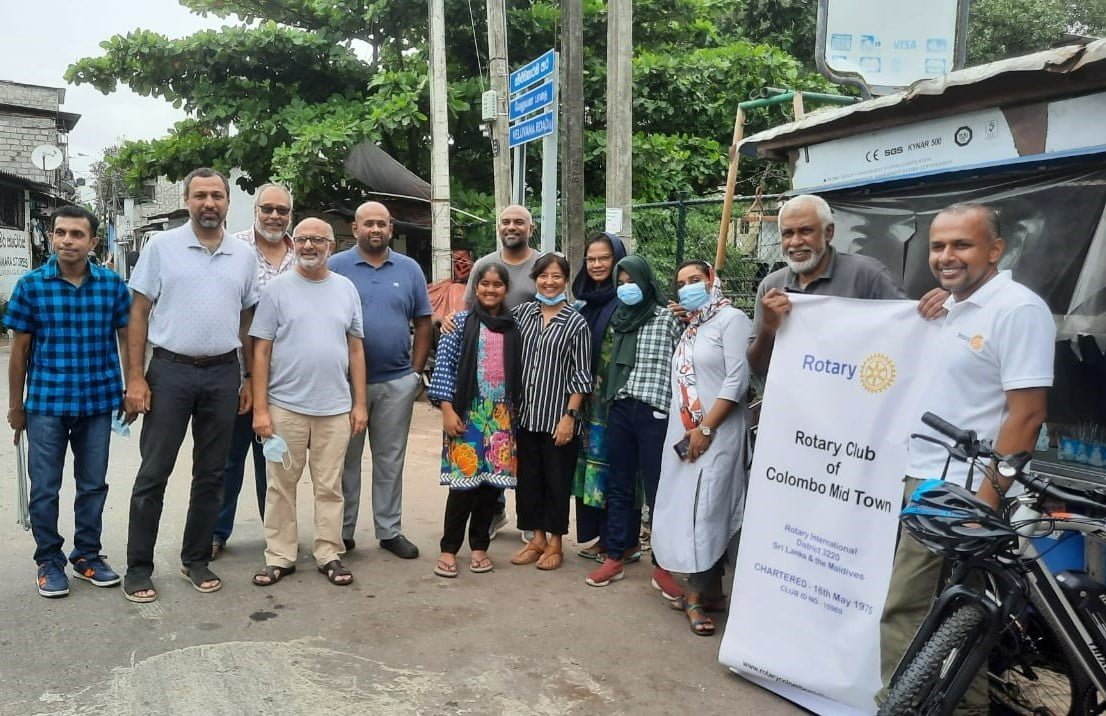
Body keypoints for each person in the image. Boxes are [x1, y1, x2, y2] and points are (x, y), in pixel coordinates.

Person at [878, 203, 1055, 710]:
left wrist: (983, 505)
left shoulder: (1017, 310)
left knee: (906, 612)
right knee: (958, 621)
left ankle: (898, 706)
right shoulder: (953, 306)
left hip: (963, 494)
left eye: (962, 245)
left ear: (995, 250)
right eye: (938, 246)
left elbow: (1026, 415)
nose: (946, 256)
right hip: (929, 482)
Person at [122, 167, 259, 602]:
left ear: (227, 202)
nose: (209, 204)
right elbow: (138, 311)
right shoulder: (162, 246)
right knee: (154, 472)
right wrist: (137, 377)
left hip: (222, 373)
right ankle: (138, 567)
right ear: (187, 201)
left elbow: (247, 318)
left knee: (212, 473)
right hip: (170, 371)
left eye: (216, 196)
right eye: (200, 195)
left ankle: (195, 559)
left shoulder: (243, 255)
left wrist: (249, 377)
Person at [5, 205, 131, 598]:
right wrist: (15, 405)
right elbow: (19, 352)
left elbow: (127, 341)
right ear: (52, 236)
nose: (66, 241)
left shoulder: (112, 286)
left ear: (92, 241)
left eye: (77, 234)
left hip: (97, 401)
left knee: (93, 485)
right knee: (44, 487)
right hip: (46, 403)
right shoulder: (31, 286)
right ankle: (49, 561)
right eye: (60, 233)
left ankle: (87, 556)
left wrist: (132, 387)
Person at [249, 218, 368, 588]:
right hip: (285, 407)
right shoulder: (277, 291)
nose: (309, 246)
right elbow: (261, 350)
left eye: (318, 239)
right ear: (293, 244)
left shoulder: (346, 289)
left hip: (335, 408)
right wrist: (260, 408)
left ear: (332, 245)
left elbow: (356, 348)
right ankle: (280, 556)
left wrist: (359, 403)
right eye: (302, 239)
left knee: (330, 486)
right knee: (280, 485)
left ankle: (329, 552)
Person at [652, 260, 752, 636]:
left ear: (713, 281)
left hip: (717, 432)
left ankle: (696, 595)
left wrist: (707, 427)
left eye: (695, 280)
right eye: (681, 283)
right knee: (683, 509)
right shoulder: (694, 326)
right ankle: (709, 591)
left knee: (707, 511)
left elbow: (737, 378)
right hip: (684, 431)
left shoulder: (732, 320)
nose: (688, 287)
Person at [330, 201, 432, 559]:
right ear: (355, 229)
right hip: (344, 385)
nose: (376, 229)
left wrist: (415, 374)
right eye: (368, 223)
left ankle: (389, 531)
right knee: (346, 461)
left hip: (396, 383)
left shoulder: (409, 269)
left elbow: (423, 322)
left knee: (390, 460)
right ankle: (341, 533)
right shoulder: (336, 267)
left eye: (382, 224)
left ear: (391, 229)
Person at [584, 255, 685, 597]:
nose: (627, 288)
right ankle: (614, 557)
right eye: (621, 282)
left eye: (632, 281)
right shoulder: (619, 320)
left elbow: (683, 365)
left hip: (656, 413)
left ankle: (663, 565)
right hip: (621, 410)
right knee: (619, 486)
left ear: (646, 281)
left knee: (658, 491)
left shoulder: (668, 318)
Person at [212, 182, 295, 560]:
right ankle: (215, 532)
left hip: (286, 379)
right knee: (228, 458)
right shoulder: (233, 248)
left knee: (274, 461)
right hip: (237, 374)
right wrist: (246, 375)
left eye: (282, 210)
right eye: (267, 209)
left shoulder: (304, 251)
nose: (274, 216)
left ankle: (276, 536)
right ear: (255, 211)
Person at [450, 204, 542, 541]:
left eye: (519, 222)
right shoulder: (484, 265)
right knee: (489, 442)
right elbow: (466, 310)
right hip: (485, 371)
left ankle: (529, 519)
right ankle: (494, 512)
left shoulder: (540, 265)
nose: (511, 226)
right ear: (498, 227)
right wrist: (451, 322)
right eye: (505, 221)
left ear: (530, 228)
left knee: (520, 447)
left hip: (530, 369)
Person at [427, 261, 522, 578]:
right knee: (462, 487)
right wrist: (447, 410)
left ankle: (480, 546)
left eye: (497, 284)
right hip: (467, 414)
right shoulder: (460, 324)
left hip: (502, 418)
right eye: (485, 284)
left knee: (489, 488)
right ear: (475, 287)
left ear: (506, 289)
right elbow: (443, 369)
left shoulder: (513, 327)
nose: (490, 289)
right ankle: (449, 549)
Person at [747, 194, 907, 379]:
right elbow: (757, 368)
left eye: (806, 231)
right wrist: (768, 329)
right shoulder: (771, 286)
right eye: (787, 233)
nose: (796, 242)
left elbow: (907, 335)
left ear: (829, 232)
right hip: (794, 403)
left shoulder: (868, 276)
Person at [509, 253, 592, 571]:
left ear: (566, 281)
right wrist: (453, 320)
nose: (549, 281)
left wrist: (570, 417)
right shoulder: (522, 314)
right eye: (544, 276)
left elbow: (581, 375)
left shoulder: (575, 322)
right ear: (535, 279)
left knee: (557, 481)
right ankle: (537, 539)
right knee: (529, 480)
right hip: (525, 415)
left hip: (558, 417)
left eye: (556, 276)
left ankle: (556, 543)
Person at [570, 232, 627, 561]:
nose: (596, 264)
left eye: (604, 258)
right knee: (590, 468)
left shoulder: (629, 301)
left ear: (617, 259)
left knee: (616, 468)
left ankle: (619, 539)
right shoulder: (583, 303)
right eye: (590, 259)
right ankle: (599, 536)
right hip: (588, 402)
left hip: (615, 402)